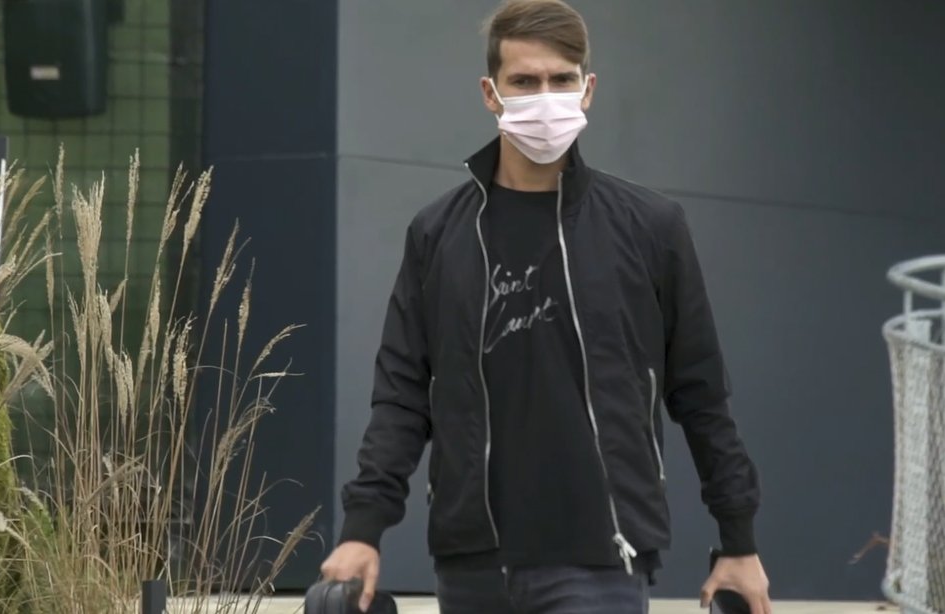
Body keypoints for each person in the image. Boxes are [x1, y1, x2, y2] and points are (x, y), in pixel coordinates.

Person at [320, 1, 770, 612]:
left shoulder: (650, 228)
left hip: (601, 558)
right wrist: (362, 530)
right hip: (473, 562)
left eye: (562, 79)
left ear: (588, 89)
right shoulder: (438, 234)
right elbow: (402, 397)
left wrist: (739, 541)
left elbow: (701, 394)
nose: (546, 97)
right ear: (491, 93)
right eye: (525, 81)